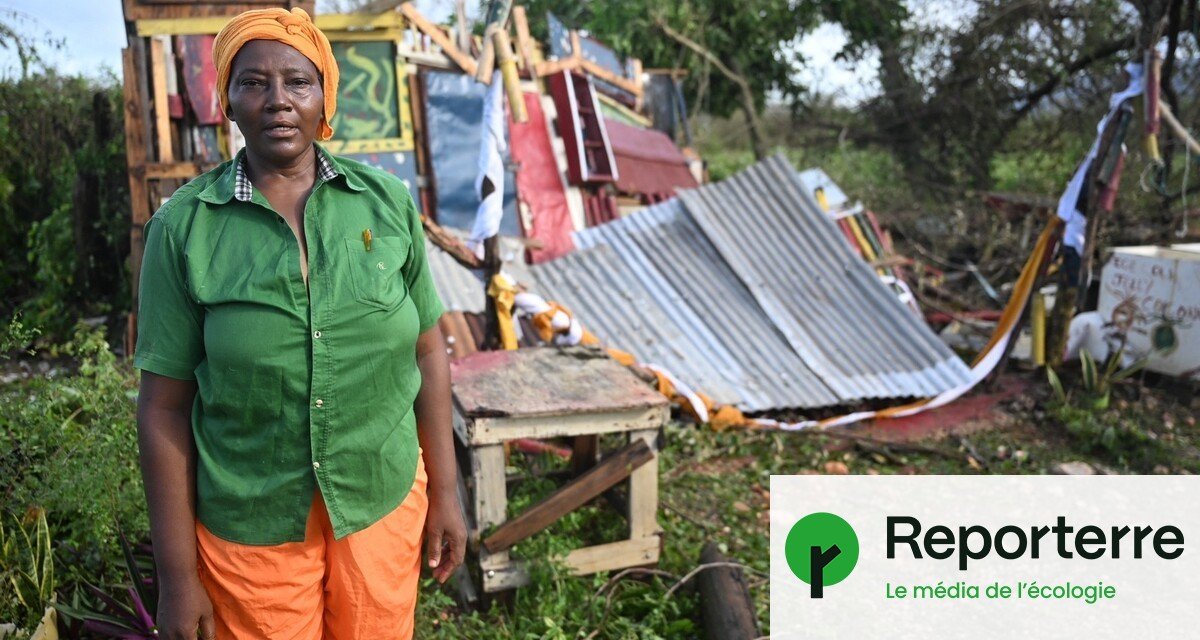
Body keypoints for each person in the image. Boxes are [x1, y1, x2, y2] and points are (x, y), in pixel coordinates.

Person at [133, 8, 465, 639]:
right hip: (251, 524)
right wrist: (178, 578)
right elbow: (162, 410)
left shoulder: (387, 205)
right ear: (227, 101)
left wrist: (447, 492)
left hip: (379, 500)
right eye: (253, 83)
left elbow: (427, 352)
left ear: (324, 97)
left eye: (298, 82)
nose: (278, 101)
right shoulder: (184, 229)